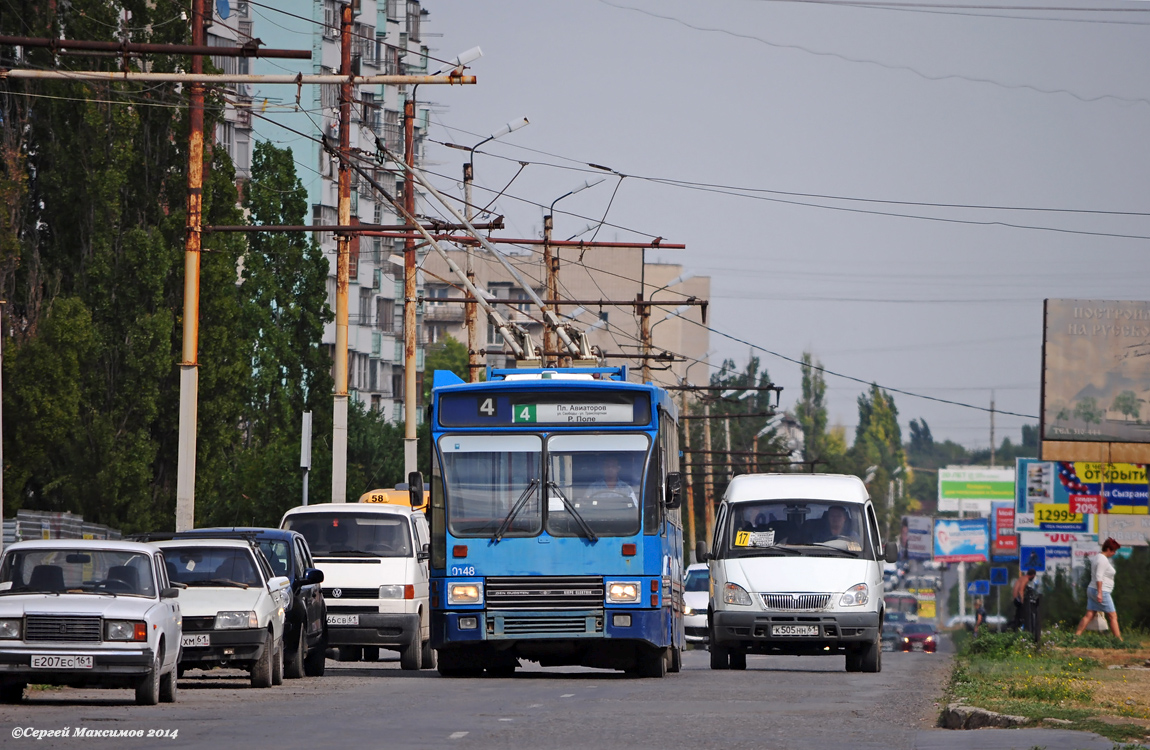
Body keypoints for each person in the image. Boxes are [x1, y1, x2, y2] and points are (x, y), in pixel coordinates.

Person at [1075, 537, 1123, 641]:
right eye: (1113, 551)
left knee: (1089, 615)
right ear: (1109, 549)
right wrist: (1100, 593)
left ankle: (1075, 637)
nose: (1114, 553)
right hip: (1101, 591)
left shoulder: (1097, 557)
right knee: (1113, 616)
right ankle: (1119, 641)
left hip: (1092, 589)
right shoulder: (1103, 560)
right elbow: (1099, 576)